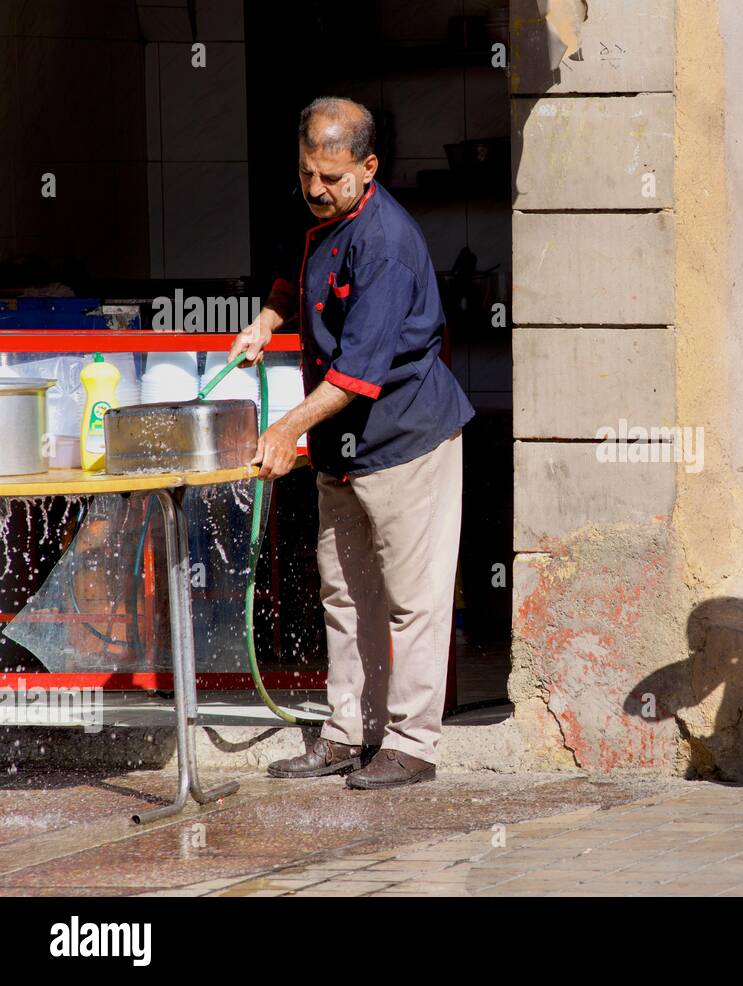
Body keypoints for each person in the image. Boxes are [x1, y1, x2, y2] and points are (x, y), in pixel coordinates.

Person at [229, 96, 474, 789]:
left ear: (369, 167)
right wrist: (265, 324)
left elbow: (356, 377)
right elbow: (291, 277)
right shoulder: (316, 215)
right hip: (342, 447)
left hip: (405, 439)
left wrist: (285, 429)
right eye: (308, 173)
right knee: (345, 593)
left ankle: (413, 743)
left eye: (332, 178)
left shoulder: (386, 244)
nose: (316, 190)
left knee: (412, 599)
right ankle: (347, 732)